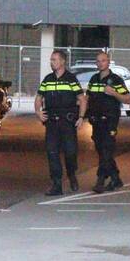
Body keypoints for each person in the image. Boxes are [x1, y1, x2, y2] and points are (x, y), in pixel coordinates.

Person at [35, 50, 86, 196]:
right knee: (52, 153)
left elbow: (82, 99)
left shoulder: (71, 79)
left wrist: (81, 117)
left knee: (70, 152)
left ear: (62, 61)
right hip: (51, 123)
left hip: (67, 123)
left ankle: (71, 174)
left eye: (55, 60)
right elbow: (38, 98)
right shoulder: (48, 79)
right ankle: (56, 184)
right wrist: (38, 112)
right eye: (51, 60)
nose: (52, 62)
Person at [85, 50, 130, 193]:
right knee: (101, 150)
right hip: (96, 120)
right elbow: (88, 98)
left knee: (107, 149)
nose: (101, 63)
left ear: (108, 61)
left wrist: (114, 93)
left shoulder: (116, 79)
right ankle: (115, 178)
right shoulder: (93, 79)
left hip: (110, 120)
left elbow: (128, 99)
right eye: (98, 61)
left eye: (103, 60)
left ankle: (101, 179)